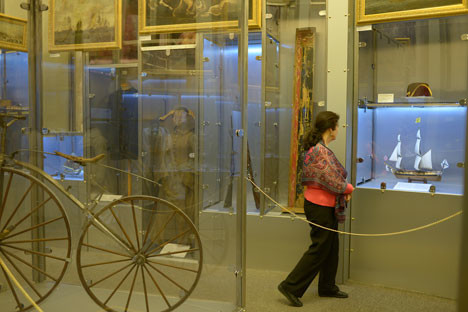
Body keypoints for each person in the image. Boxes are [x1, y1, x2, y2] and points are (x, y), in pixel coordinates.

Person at [278, 111, 354, 307]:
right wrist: (348, 188)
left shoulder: (319, 149)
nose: (339, 129)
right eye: (337, 126)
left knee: (331, 247)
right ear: (331, 129)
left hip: (324, 205)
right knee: (319, 248)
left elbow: (329, 179)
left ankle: (327, 286)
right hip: (319, 207)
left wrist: (342, 188)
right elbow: (331, 179)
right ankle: (290, 286)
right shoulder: (320, 151)